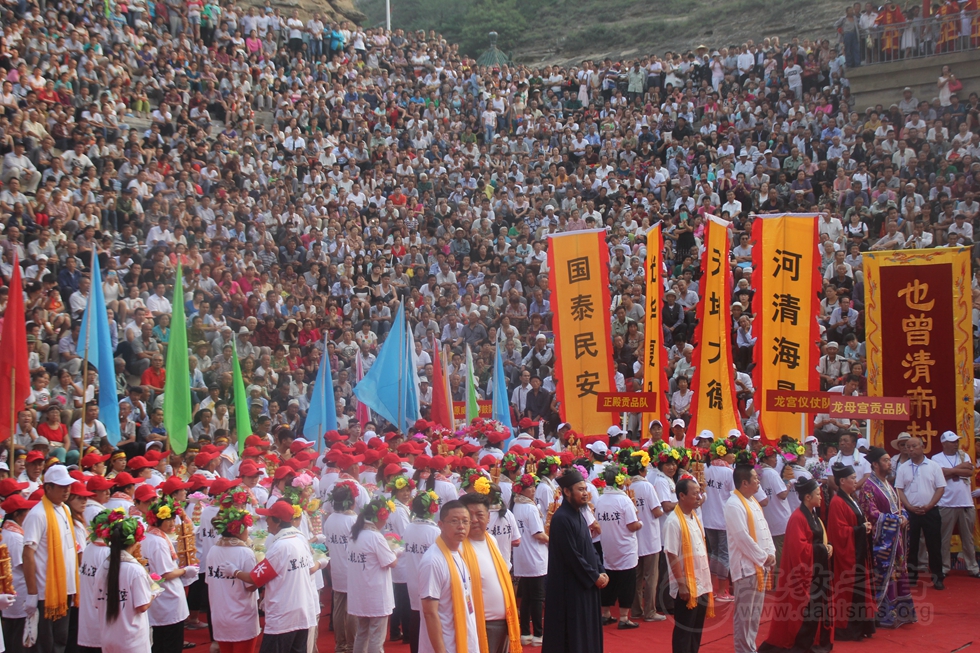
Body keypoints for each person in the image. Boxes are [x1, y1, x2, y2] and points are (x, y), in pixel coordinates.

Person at [219, 500, 324, 653]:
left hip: (283, 618)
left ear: (278, 521)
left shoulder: (280, 546)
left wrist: (234, 572)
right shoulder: (299, 540)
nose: (266, 521)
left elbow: (254, 578)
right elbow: (310, 568)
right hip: (302, 614)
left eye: (269, 517)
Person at [760, 478, 833, 653]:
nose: (821, 497)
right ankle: (802, 644)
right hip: (803, 574)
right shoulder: (797, 518)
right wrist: (822, 549)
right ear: (808, 497)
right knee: (805, 610)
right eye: (817, 494)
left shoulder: (812, 514)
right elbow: (798, 550)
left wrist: (826, 547)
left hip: (815, 570)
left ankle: (814, 642)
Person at [541, 467, 607, 653]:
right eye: (580, 489)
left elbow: (590, 548)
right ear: (567, 492)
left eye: (585, 489)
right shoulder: (561, 519)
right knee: (572, 636)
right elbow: (572, 556)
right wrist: (594, 576)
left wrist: (601, 569)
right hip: (570, 588)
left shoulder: (579, 514)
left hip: (585, 584)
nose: (585, 493)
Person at [21, 464, 80, 653]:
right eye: (62, 486)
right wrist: (31, 593)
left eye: (68, 486)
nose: (67, 490)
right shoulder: (37, 514)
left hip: (66, 589)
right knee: (46, 644)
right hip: (46, 592)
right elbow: (28, 554)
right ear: (48, 488)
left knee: (61, 641)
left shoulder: (65, 510)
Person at [857, 447, 916, 628]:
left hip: (894, 538)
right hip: (882, 542)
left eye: (890, 460)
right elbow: (872, 513)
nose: (889, 464)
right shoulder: (868, 486)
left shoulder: (887, 484)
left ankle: (901, 612)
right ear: (875, 464)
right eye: (885, 460)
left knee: (898, 573)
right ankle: (884, 615)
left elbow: (897, 506)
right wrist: (896, 519)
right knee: (886, 576)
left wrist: (904, 515)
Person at [459, 492, 522, 653]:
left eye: (479, 514)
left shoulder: (491, 540)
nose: (474, 520)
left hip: (505, 621)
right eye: (469, 515)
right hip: (480, 623)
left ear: (488, 517)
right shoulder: (458, 548)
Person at [724, 465, 776, 653]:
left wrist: (772, 553)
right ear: (744, 483)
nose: (758, 481)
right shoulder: (734, 504)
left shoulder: (752, 500)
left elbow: (764, 529)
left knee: (754, 614)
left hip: (760, 566)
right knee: (744, 615)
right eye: (755, 478)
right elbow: (742, 538)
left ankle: (750, 648)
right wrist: (763, 557)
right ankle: (744, 650)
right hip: (746, 567)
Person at [417, 500, 479, 653]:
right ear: (440, 524)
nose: (461, 526)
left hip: (464, 640)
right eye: (454, 521)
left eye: (465, 521)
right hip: (447, 645)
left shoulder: (458, 553)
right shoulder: (433, 561)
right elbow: (430, 612)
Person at [205, 493, 260, 653]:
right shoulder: (245, 552)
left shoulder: (213, 551)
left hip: (220, 617)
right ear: (237, 530)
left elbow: (210, 581)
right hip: (242, 618)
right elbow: (250, 586)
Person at [142, 495, 197, 653]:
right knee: (170, 642)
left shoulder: (150, 536)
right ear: (157, 521)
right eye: (169, 520)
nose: (173, 523)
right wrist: (186, 570)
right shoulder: (158, 541)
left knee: (161, 641)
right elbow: (166, 573)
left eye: (174, 519)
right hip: (167, 597)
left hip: (161, 597)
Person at [664, 476, 712, 653]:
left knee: (696, 629)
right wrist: (682, 584)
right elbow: (672, 554)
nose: (699, 497)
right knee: (684, 630)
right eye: (695, 494)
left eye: (699, 493)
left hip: (702, 582)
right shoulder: (674, 521)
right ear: (682, 496)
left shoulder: (694, 517)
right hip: (686, 586)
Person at [827, 464, 875, 641]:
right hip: (846, 555)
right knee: (848, 591)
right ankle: (848, 629)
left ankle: (862, 625)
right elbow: (839, 532)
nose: (856, 481)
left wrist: (863, 527)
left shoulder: (850, 497)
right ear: (842, 481)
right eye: (853, 478)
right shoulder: (837, 502)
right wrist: (860, 529)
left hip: (857, 550)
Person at [96, 513, 155, 653]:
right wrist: (154, 593)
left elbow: (97, 603)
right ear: (135, 541)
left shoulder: (103, 567)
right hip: (132, 641)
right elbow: (142, 606)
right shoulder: (135, 570)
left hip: (109, 638)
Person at [894, 436, 946, 589]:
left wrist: (930, 505)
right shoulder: (902, 467)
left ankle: (938, 577)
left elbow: (941, 488)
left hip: (931, 511)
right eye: (908, 447)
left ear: (922, 447)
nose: (910, 449)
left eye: (914, 446)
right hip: (910, 512)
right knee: (911, 546)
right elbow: (899, 489)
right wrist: (908, 507)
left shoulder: (933, 466)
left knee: (934, 546)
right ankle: (911, 577)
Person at [348, 496, 398, 653]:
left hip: (360, 593)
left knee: (362, 633)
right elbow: (391, 562)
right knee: (376, 636)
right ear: (379, 518)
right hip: (375, 594)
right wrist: (396, 551)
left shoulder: (356, 534)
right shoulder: (375, 537)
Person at [595, 464, 641, 629]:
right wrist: (640, 523)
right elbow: (632, 525)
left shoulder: (600, 500)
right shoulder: (624, 500)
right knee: (627, 582)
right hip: (625, 548)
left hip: (608, 545)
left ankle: (606, 613)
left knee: (610, 580)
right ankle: (623, 617)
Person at [931, 431, 979, 578]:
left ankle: (973, 567)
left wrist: (950, 472)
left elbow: (969, 472)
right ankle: (944, 567)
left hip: (965, 502)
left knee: (968, 538)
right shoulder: (936, 458)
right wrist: (959, 469)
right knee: (944, 538)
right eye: (952, 442)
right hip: (946, 503)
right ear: (944, 443)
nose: (955, 444)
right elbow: (939, 474)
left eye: (956, 441)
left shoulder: (965, 456)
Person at [510, 473, 548, 645]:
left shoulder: (516, 505)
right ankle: (538, 634)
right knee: (537, 597)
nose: (533, 490)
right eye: (530, 487)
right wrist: (552, 539)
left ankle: (525, 633)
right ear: (522, 489)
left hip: (522, 557)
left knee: (526, 598)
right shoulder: (530, 508)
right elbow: (538, 534)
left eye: (533, 486)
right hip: (535, 556)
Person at [401, 490, 441, 653]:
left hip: (412, 578)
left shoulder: (409, 528)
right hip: (430, 581)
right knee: (430, 618)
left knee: (416, 615)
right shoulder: (436, 532)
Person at [323, 481, 360, 653]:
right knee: (353, 608)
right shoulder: (354, 520)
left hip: (336, 567)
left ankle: (340, 644)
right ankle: (352, 645)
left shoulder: (330, 519)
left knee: (338, 607)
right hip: (352, 569)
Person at [0, 494, 39, 653]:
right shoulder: (15, 537)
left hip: (11, 597)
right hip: (18, 596)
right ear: (16, 514)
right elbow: (26, 566)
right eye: (26, 511)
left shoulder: (7, 532)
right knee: (18, 641)